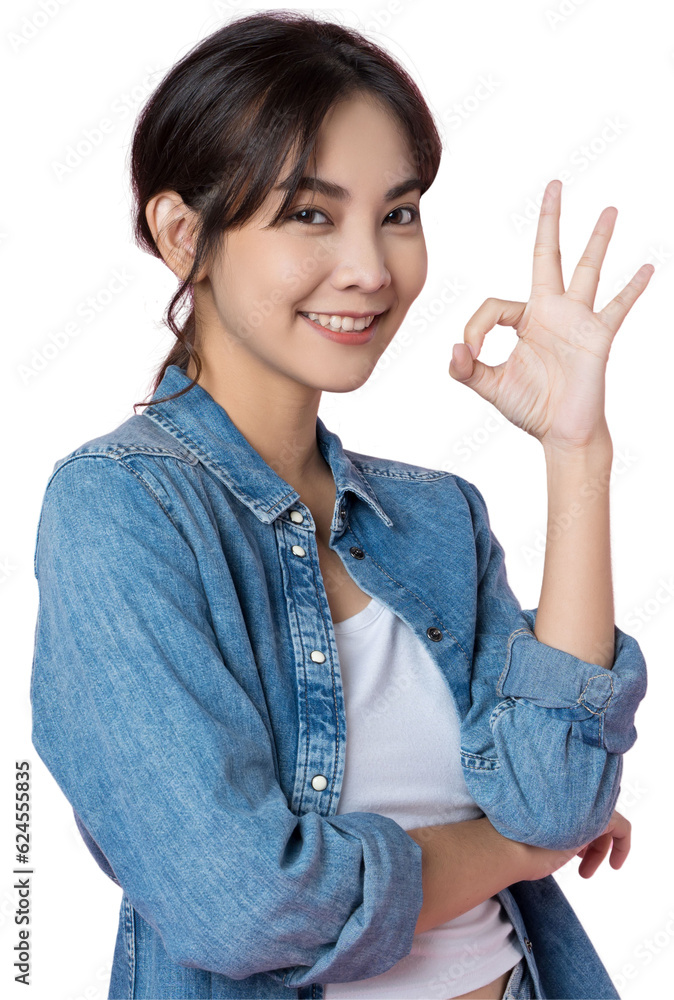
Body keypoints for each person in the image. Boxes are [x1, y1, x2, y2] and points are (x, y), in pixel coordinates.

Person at [29, 10, 651, 1000]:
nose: (370, 267)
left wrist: (576, 452)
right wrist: (509, 843)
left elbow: (560, 793)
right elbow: (238, 901)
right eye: (310, 214)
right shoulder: (119, 510)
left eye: (396, 212)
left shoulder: (436, 516)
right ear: (182, 232)